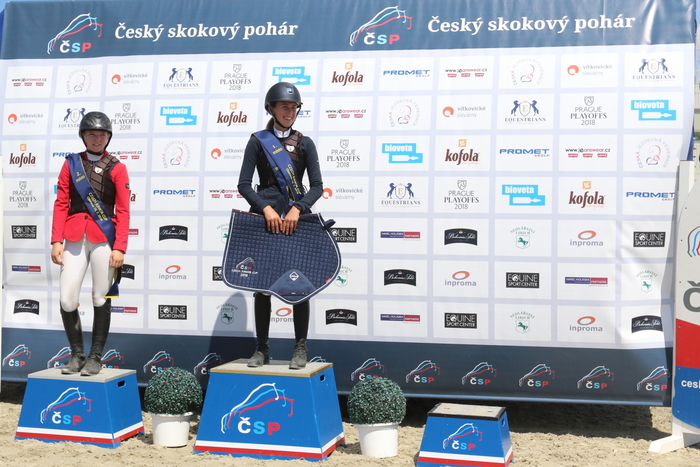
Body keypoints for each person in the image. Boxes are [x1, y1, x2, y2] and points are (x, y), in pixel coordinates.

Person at [237, 82, 323, 369]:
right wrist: (265, 209)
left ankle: (300, 348)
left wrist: (298, 208)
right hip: (266, 222)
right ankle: (262, 349)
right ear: (271, 109)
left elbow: (317, 186)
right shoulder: (258, 140)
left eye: (294, 107)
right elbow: (244, 184)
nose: (290, 111)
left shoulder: (305, 143)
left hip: (296, 222)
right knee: (262, 287)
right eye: (284, 107)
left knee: (300, 285)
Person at [50, 111, 131, 376]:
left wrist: (120, 247)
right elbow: (61, 203)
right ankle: (77, 355)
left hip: (103, 239)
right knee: (67, 299)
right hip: (74, 236)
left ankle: (95, 357)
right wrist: (56, 240)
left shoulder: (117, 167)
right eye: (92, 134)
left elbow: (123, 210)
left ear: (108, 137)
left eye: (102, 134)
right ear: (83, 136)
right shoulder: (70, 164)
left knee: (100, 296)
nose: (97, 138)